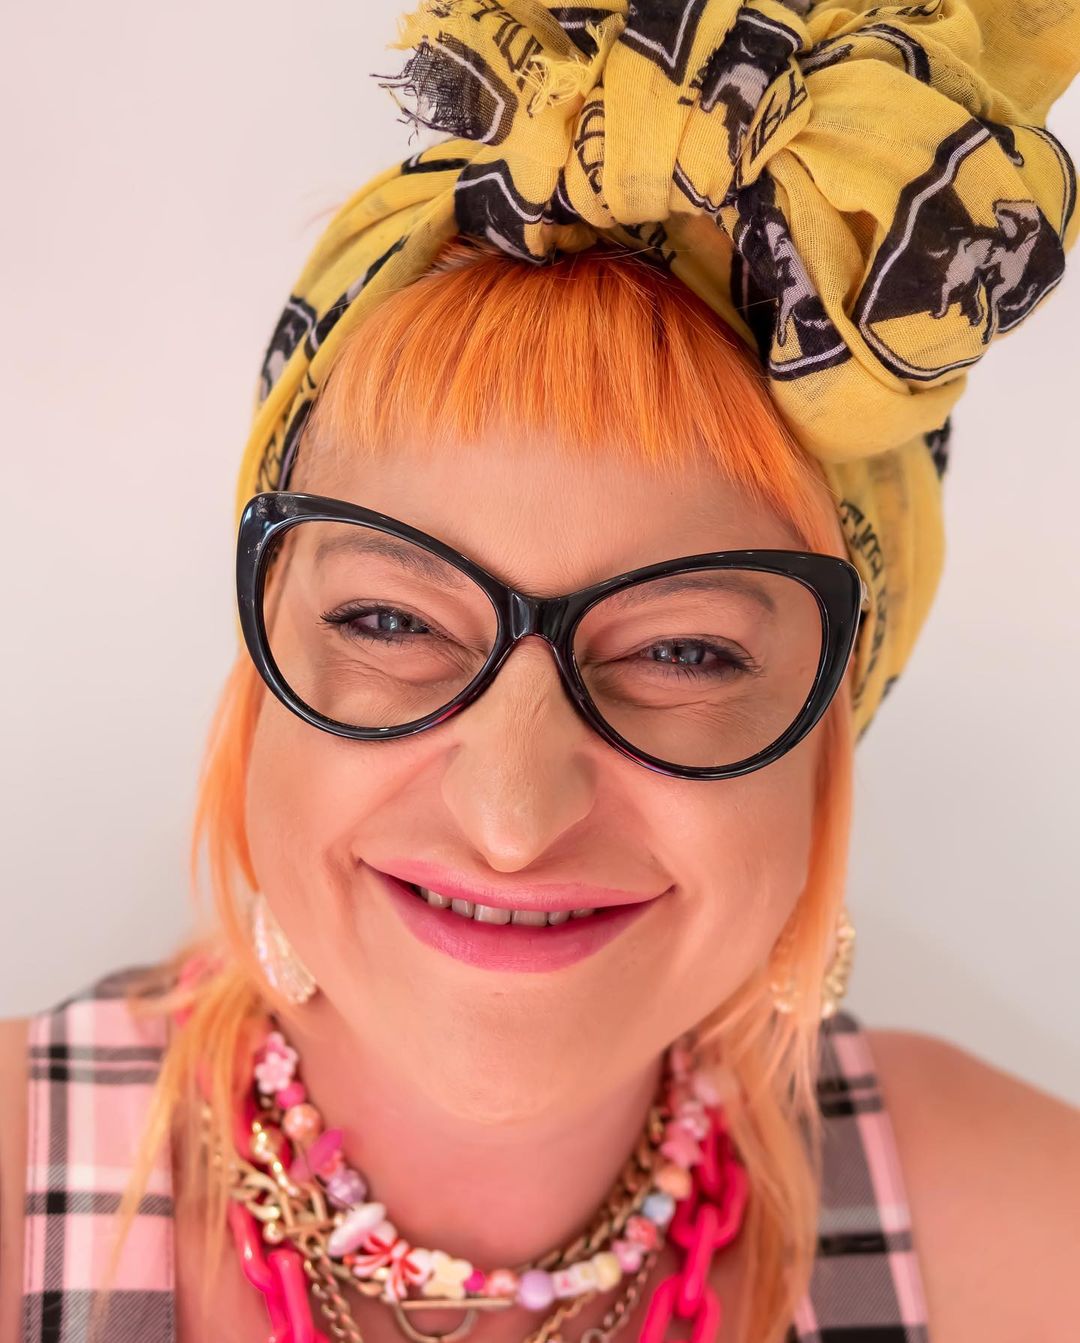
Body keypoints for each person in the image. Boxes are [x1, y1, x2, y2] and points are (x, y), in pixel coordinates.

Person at [2, 2, 1079, 1341]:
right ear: (264, 667)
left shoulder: (1029, 1246)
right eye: (391, 622)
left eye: (684, 651)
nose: (512, 819)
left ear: (830, 730)